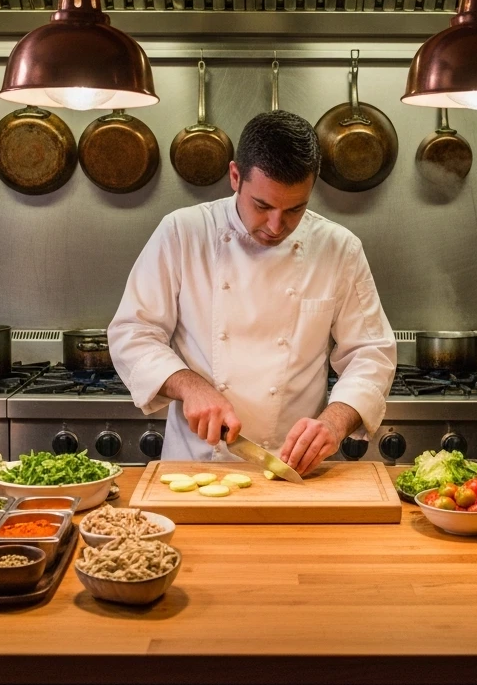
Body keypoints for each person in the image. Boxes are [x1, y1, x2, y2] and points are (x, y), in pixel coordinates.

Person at [108, 110, 396, 474]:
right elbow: (132, 333)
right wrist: (189, 386)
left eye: (295, 209)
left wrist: (335, 423)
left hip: (296, 466)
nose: (277, 226)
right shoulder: (182, 232)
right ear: (234, 176)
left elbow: (371, 353)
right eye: (262, 205)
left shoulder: (339, 248)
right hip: (195, 464)